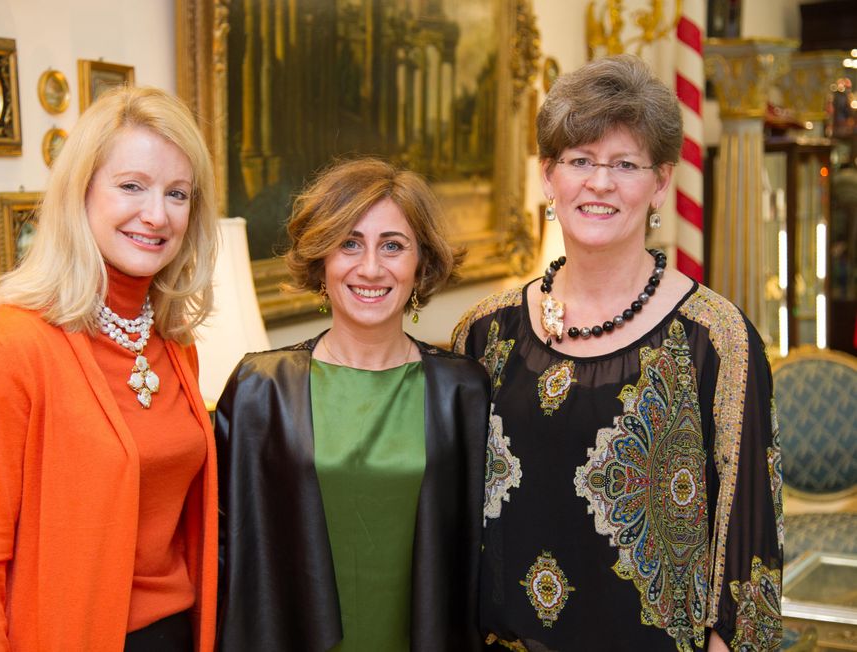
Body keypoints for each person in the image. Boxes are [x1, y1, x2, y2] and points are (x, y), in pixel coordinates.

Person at [453, 55, 783, 652]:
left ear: (661, 183)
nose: (600, 183)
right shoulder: (484, 334)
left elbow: (750, 559)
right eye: (580, 160)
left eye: (625, 164)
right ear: (548, 176)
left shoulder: (716, 340)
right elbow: (452, 527)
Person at [0, 87, 221, 652]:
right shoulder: (6, 348)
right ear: (81, 192)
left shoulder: (174, 344)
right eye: (132, 186)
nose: (156, 214)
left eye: (177, 193)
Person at [216, 157, 489, 651]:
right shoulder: (261, 390)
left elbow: (485, 552)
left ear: (421, 263)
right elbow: (225, 553)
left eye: (393, 246)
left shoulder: (463, 391)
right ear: (321, 258)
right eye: (349, 243)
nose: (370, 268)